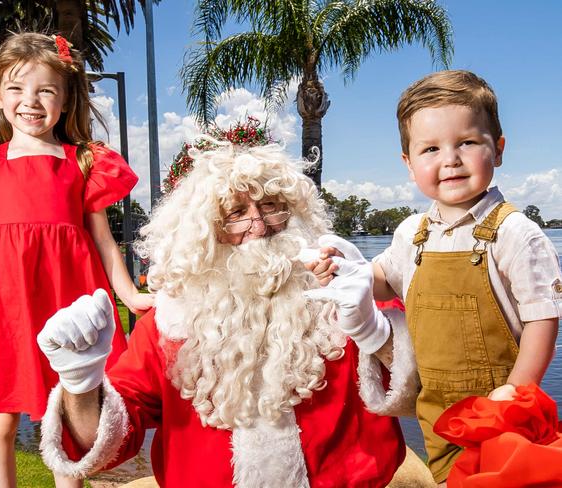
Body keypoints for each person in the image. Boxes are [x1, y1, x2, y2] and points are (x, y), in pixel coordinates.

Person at [37, 141, 418, 487]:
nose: (258, 225)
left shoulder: (347, 293)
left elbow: (423, 393)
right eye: (236, 212)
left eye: (270, 205)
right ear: (205, 233)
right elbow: (105, 445)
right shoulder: (170, 321)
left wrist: (372, 329)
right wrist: (80, 382)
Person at [0, 32, 153, 488]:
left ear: (65, 100)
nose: (31, 101)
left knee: (65, 411)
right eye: (18, 89)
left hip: (68, 293)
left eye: (46, 90)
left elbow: (103, 241)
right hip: (2, 299)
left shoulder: (82, 161)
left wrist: (129, 294)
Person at [315, 70, 562, 486]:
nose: (450, 158)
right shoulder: (413, 233)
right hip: (436, 410)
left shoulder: (514, 232)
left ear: (497, 149)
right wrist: (347, 270)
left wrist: (517, 391)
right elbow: (385, 279)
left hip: (501, 413)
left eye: (467, 142)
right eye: (430, 148)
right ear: (409, 164)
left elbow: (543, 318)